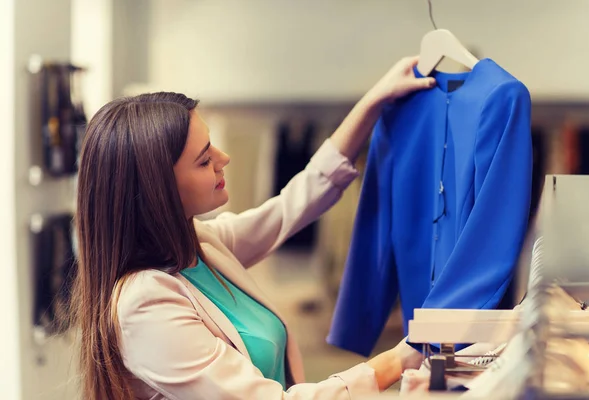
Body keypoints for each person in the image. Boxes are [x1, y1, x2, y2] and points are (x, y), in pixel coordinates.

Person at [70, 56, 436, 400]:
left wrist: (373, 102)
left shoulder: (200, 245)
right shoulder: (144, 306)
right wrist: (397, 360)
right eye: (204, 159)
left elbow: (295, 204)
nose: (223, 159)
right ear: (158, 189)